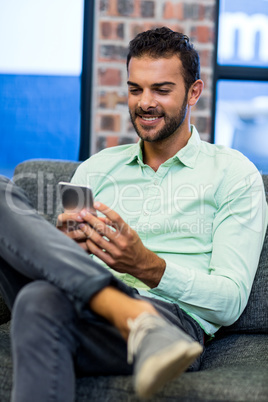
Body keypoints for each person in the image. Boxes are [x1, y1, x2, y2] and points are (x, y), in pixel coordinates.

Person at [0, 27, 267, 402]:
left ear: (194, 92)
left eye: (161, 89)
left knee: (38, 302)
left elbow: (230, 300)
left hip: (168, 319)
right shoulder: (97, 168)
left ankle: (140, 321)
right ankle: (127, 313)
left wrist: (147, 266)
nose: (145, 103)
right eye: (135, 89)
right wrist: (65, 248)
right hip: (77, 297)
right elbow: (61, 261)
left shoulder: (233, 174)